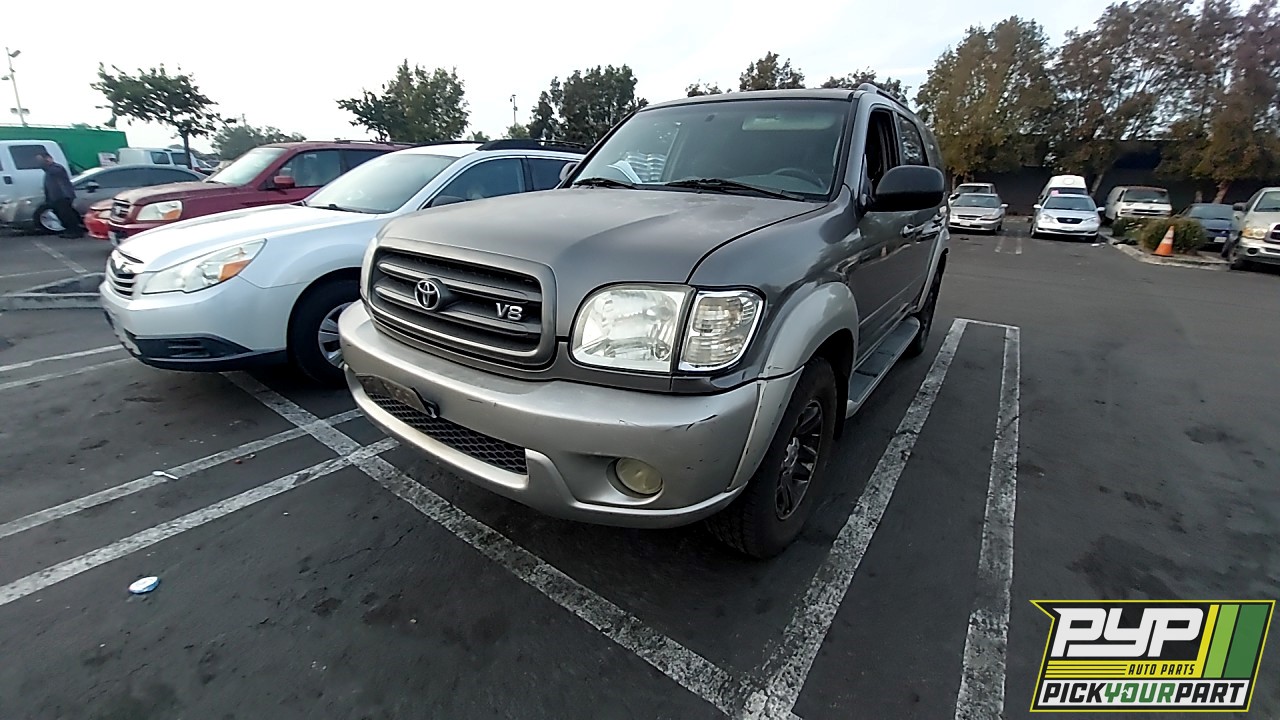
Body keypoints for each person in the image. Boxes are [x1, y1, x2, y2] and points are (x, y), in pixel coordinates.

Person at [35, 150, 84, 238]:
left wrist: (48, 163)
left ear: (48, 159)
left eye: (41, 160)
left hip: (62, 196)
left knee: (67, 215)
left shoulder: (56, 168)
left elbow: (58, 179)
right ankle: (70, 231)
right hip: (55, 197)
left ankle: (75, 232)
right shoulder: (48, 171)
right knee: (62, 215)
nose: (40, 163)